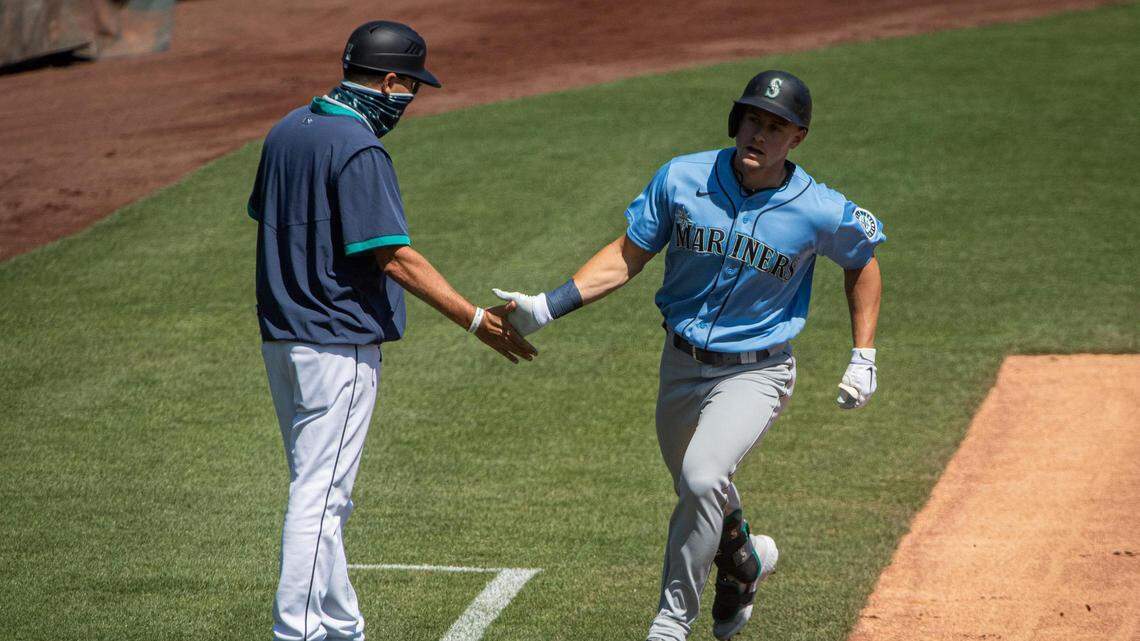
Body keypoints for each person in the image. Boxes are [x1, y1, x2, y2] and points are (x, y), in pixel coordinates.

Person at [492, 70, 884, 641]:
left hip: (758, 371)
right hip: (679, 367)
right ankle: (743, 564)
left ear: (797, 138)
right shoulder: (683, 177)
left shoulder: (818, 209)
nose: (759, 135)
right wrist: (548, 307)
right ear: (737, 120)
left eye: (776, 127)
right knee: (699, 486)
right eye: (752, 119)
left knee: (703, 479)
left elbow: (863, 260)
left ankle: (671, 624)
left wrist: (863, 354)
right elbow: (629, 254)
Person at [246, 20, 537, 641]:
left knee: (317, 490)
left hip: (284, 338)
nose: (409, 100)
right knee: (320, 498)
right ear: (391, 80)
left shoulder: (286, 131)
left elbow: (270, 217)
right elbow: (394, 256)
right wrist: (475, 319)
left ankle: (341, 626)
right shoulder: (357, 147)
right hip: (337, 343)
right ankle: (296, 632)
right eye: (410, 87)